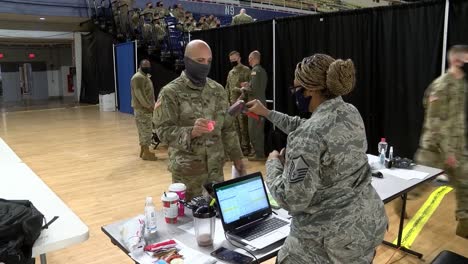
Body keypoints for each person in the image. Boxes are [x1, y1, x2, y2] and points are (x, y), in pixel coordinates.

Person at [246, 54, 388, 263]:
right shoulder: (349, 112)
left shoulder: (310, 134)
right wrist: (267, 112)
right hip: (366, 226)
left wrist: (274, 163)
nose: (294, 93)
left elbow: (292, 199)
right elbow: (305, 126)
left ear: (310, 89)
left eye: (296, 88)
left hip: (327, 242)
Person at [154, 40, 245, 200]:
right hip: (188, 175)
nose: (205, 65)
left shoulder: (218, 90)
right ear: (187, 61)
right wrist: (190, 132)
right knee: (190, 220)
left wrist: (237, 159)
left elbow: (228, 128)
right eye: (200, 61)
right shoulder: (170, 92)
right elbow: (162, 131)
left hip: (216, 171)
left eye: (208, 61)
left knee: (217, 217)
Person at [413, 45, 468, 238]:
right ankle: (399, 203)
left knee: (465, 184)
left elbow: (456, 119)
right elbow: (435, 122)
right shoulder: (442, 85)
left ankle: (464, 225)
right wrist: (449, 153)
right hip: (435, 148)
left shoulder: (461, 84)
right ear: (456, 61)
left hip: (456, 147)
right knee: (418, 186)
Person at [241, 51, 267, 161]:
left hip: (255, 106)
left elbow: (254, 90)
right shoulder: (262, 71)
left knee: (254, 130)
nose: (249, 61)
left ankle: (259, 154)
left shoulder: (255, 71)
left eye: (249, 58)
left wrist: (244, 88)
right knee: (257, 129)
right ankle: (257, 152)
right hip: (259, 104)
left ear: (254, 58)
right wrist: (248, 85)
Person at [226, 51, 252, 156]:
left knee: (243, 126)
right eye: (231, 60)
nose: (233, 62)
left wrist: (242, 93)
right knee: (234, 127)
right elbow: (227, 87)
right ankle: (238, 148)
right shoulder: (231, 73)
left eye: (234, 60)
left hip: (241, 103)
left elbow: (250, 86)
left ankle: (246, 148)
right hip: (232, 104)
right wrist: (227, 101)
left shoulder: (246, 70)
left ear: (239, 58)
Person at [131, 59, 157, 161]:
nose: (148, 68)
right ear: (140, 66)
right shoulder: (138, 77)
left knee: (144, 130)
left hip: (146, 109)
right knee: (146, 131)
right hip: (143, 109)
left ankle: (144, 151)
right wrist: (148, 106)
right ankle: (146, 153)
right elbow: (139, 95)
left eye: (149, 66)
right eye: (146, 66)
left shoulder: (144, 76)